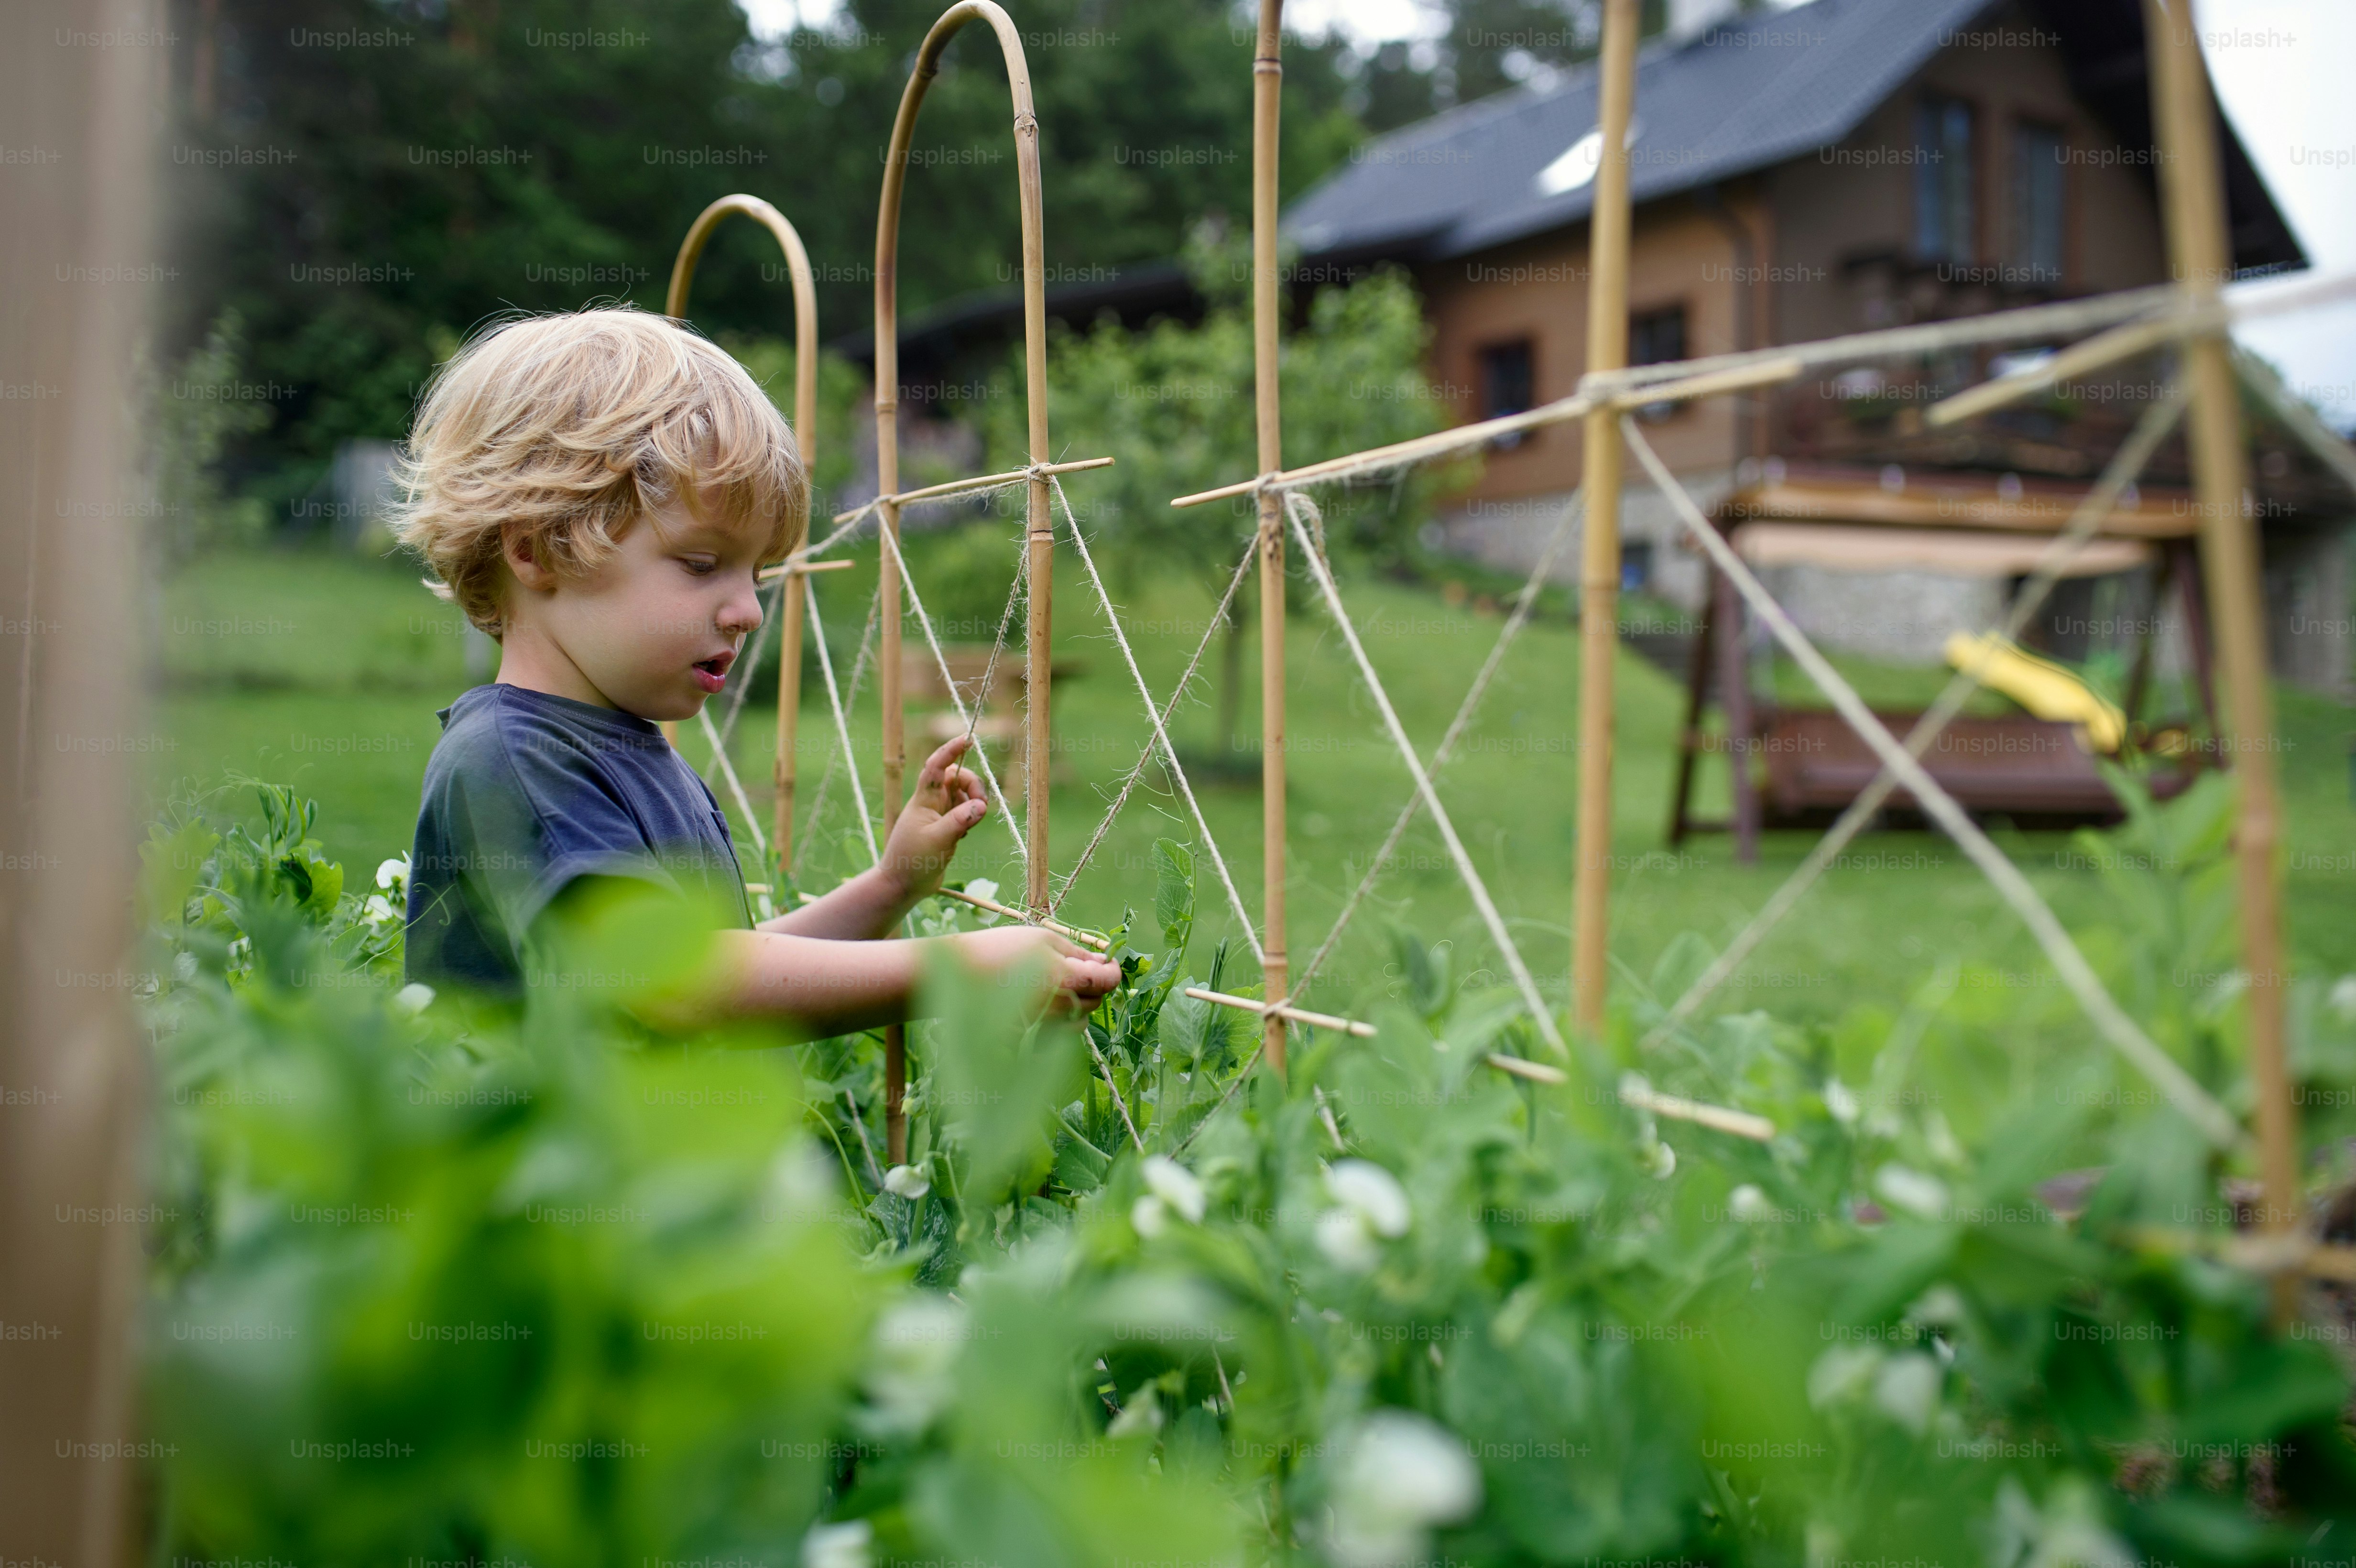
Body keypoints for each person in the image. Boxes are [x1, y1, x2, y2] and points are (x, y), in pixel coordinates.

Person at [390, 305, 1118, 1031]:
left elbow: (728, 970)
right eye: (702, 564)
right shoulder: (515, 761)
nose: (748, 611)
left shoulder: (618, 748)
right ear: (537, 551)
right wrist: (958, 972)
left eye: (758, 577)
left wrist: (889, 889)